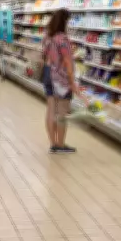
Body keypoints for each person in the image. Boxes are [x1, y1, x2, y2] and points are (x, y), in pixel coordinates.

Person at [42, 8, 84, 154]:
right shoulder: (63, 39)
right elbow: (67, 63)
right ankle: (60, 144)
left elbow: (45, 55)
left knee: (50, 110)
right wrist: (72, 83)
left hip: (48, 72)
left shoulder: (47, 37)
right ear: (64, 22)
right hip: (60, 78)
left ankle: (53, 144)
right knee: (62, 112)